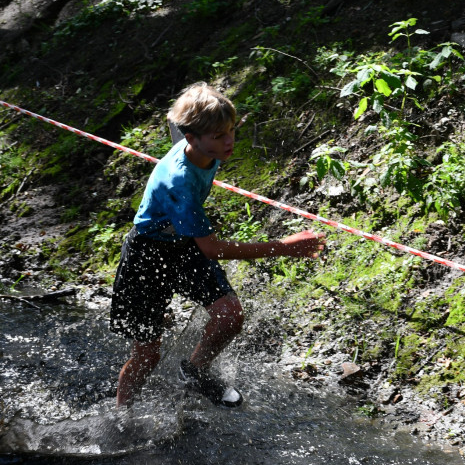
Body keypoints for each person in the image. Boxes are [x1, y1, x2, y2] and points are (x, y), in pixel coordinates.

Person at [110, 82, 324, 408]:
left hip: (183, 246)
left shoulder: (200, 141)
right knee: (147, 353)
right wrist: (283, 246)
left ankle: (194, 371)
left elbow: (184, 111)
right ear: (191, 138)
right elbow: (211, 249)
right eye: (219, 136)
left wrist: (205, 96)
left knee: (229, 315)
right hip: (148, 255)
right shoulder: (178, 182)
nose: (229, 142)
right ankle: (121, 417)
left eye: (231, 131)